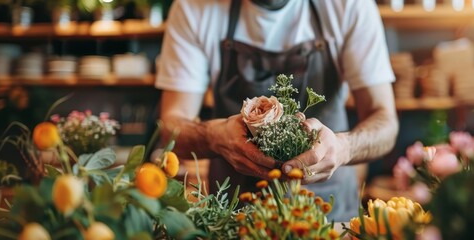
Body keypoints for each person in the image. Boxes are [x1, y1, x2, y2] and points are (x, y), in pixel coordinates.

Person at [156, 0, 399, 221]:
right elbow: (171, 127)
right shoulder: (193, 8)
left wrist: (343, 148)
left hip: (328, 214)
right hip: (235, 217)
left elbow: (385, 121)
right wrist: (215, 136)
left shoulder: (348, 6)